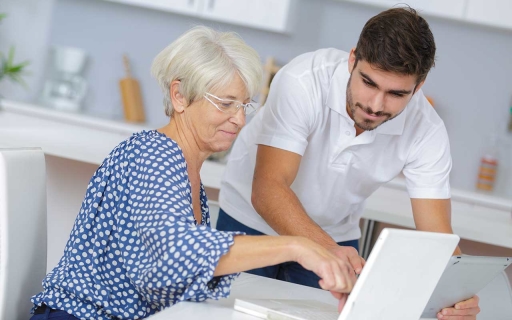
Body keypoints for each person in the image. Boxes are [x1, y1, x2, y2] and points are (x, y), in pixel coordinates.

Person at [29, 26, 355, 320]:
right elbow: (179, 250)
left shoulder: (185, 167)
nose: (240, 120)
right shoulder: (152, 156)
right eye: (225, 104)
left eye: (244, 105)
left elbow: (167, 274)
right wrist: (296, 246)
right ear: (179, 96)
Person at [217, 7, 480, 320]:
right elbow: (268, 188)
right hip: (250, 220)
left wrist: (457, 293)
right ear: (353, 59)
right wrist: (328, 249)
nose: (375, 105)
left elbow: (438, 235)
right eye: (368, 83)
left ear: (419, 86)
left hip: (335, 234)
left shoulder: (427, 130)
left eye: (396, 93)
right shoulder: (303, 80)